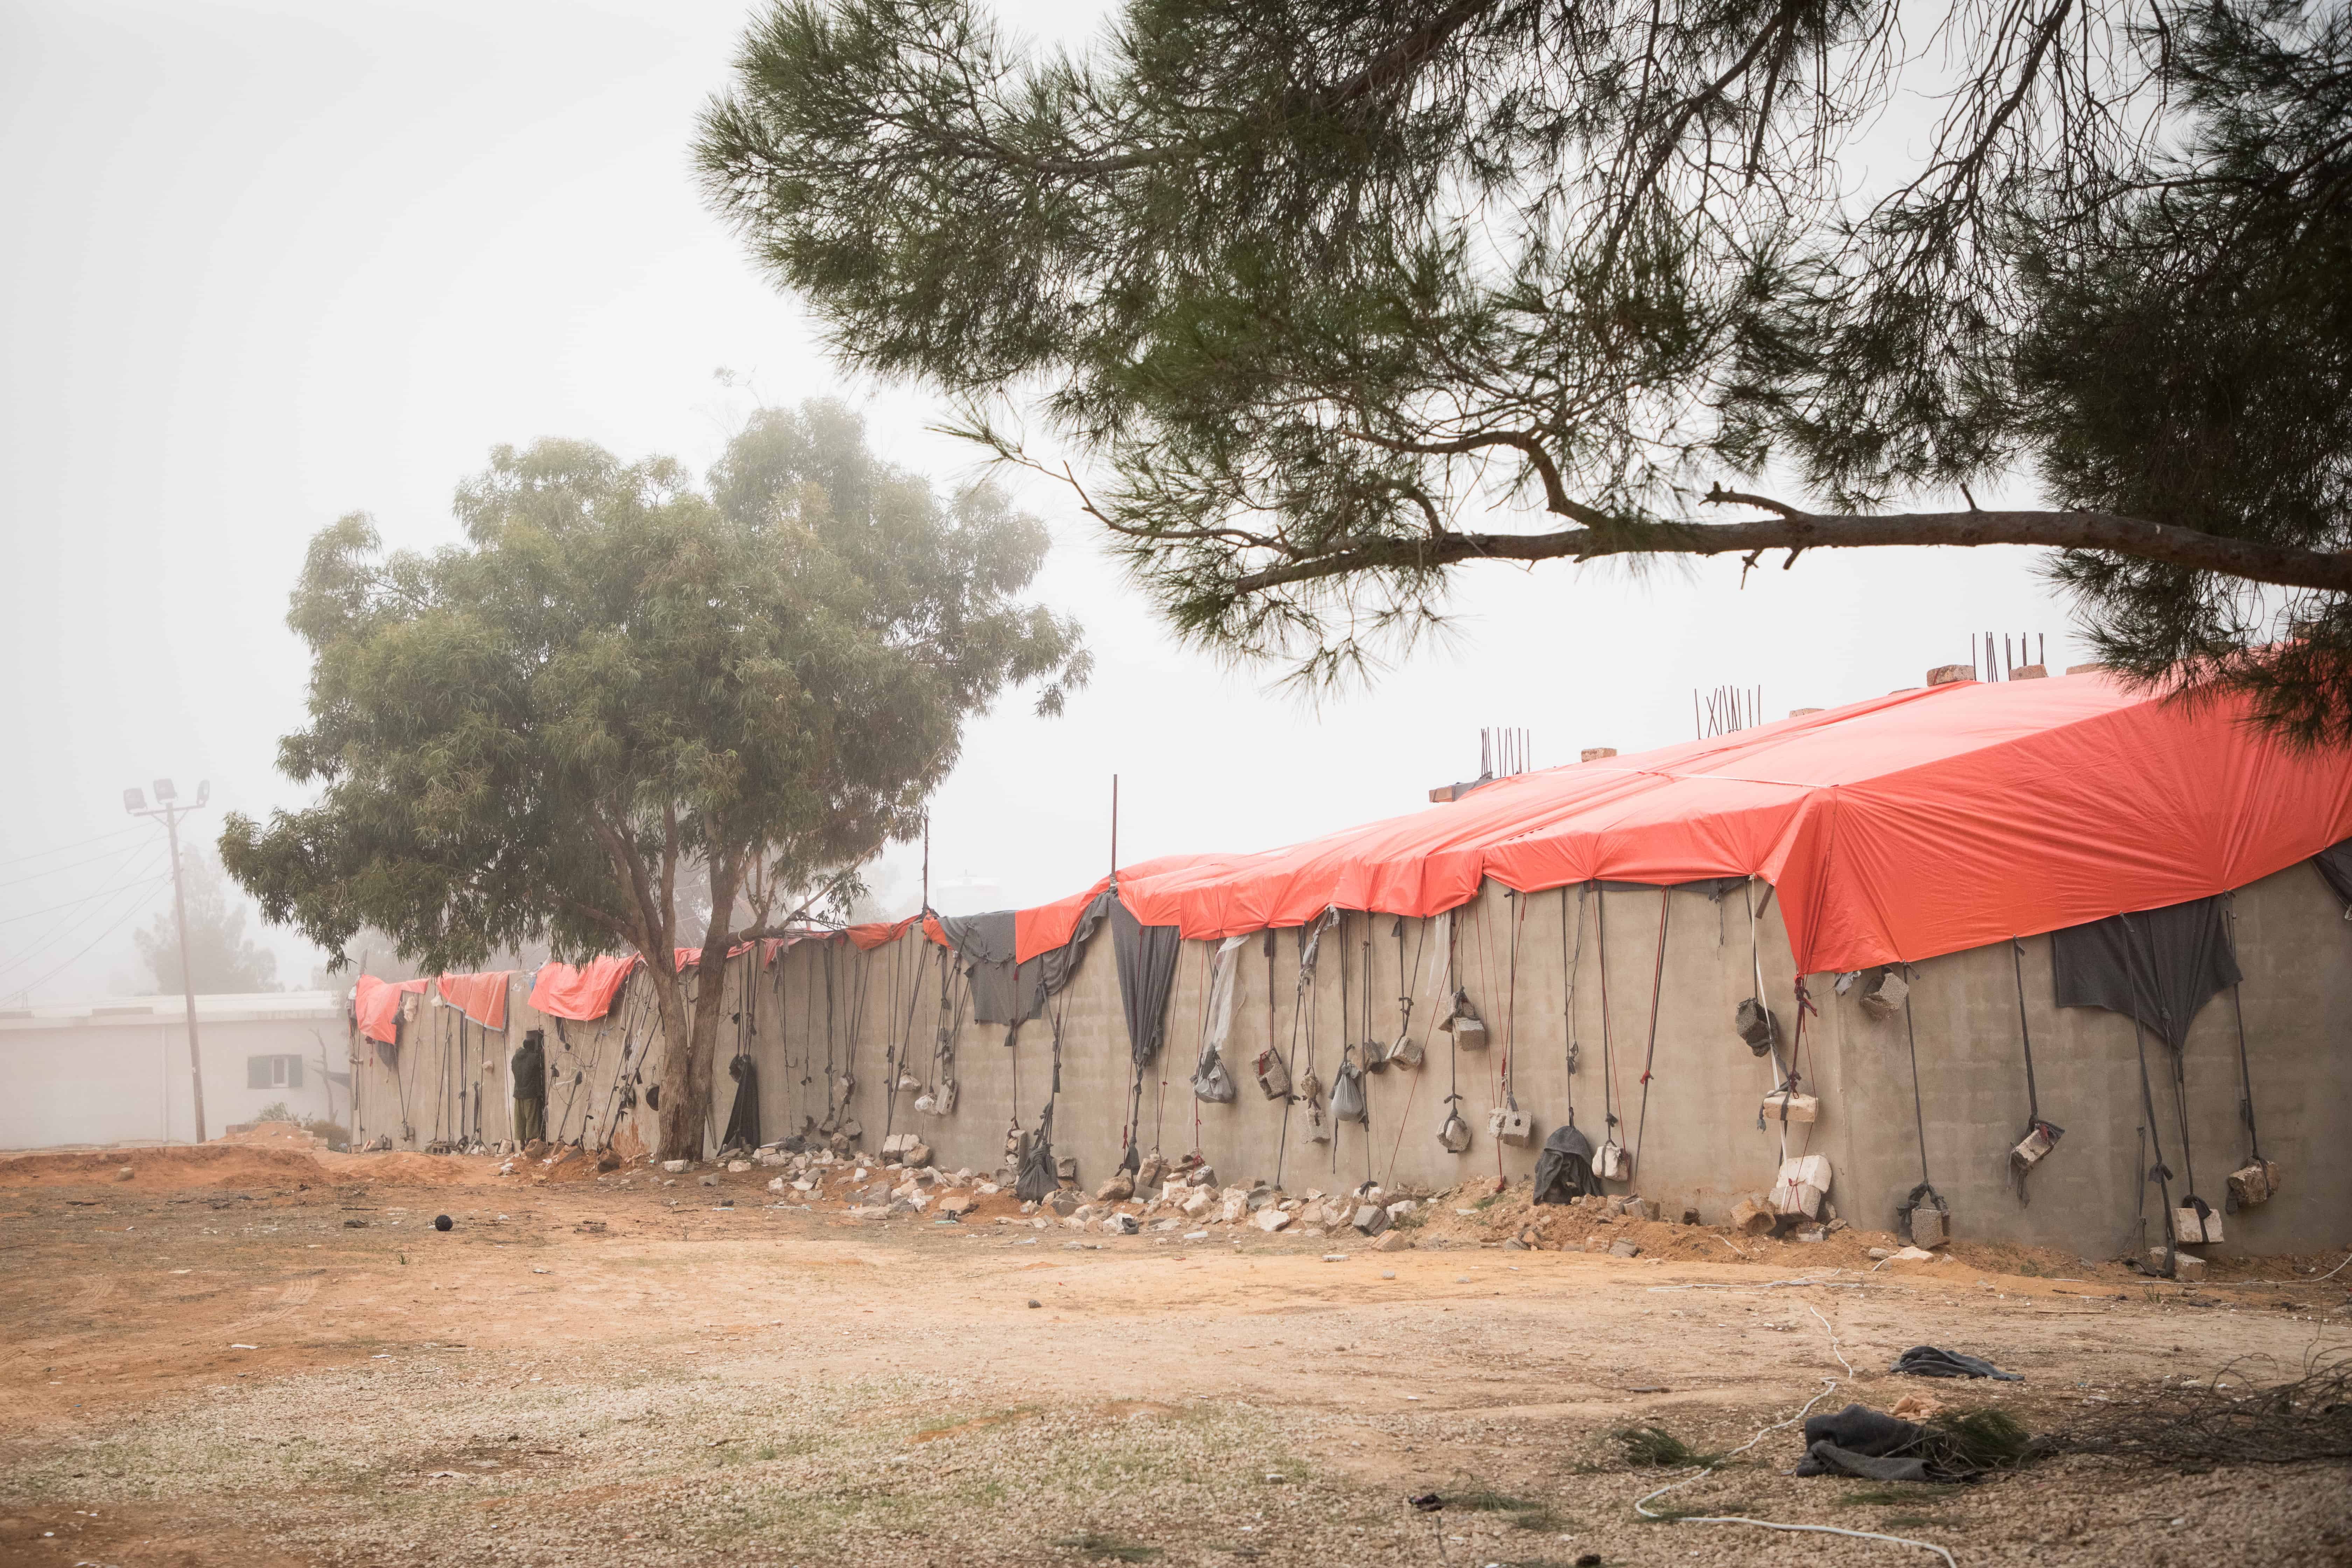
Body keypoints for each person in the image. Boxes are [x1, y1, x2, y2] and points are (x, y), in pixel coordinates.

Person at [510, 1028, 546, 1145]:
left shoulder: (515, 1058)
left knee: (520, 1119)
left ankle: (521, 1143)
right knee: (531, 1118)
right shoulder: (533, 1057)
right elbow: (537, 1065)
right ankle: (530, 1143)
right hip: (530, 1094)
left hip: (518, 1093)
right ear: (532, 1047)